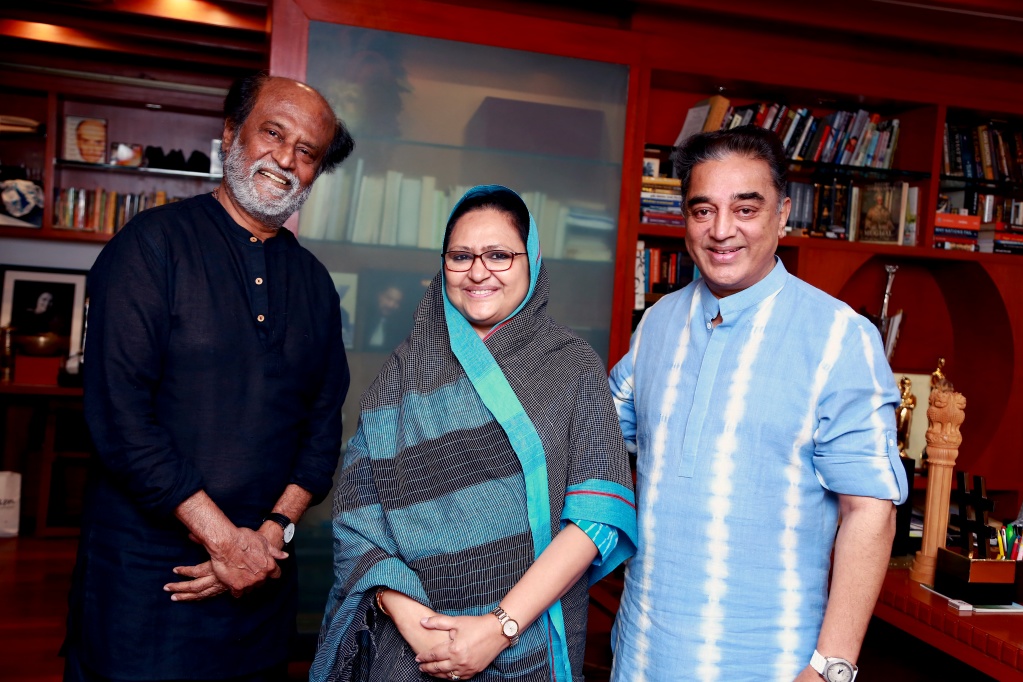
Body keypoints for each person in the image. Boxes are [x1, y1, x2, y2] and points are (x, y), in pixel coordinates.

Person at [65, 73, 356, 681]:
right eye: (272, 134)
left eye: (307, 152)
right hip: (152, 576)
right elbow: (119, 418)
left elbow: (322, 429)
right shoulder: (150, 248)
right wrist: (225, 541)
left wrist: (271, 533)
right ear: (231, 133)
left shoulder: (316, 285)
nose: (286, 159)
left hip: (264, 577)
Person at [608, 126, 907, 682]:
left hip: (774, 664)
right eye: (703, 210)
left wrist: (831, 667)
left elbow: (870, 512)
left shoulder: (840, 337)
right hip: (642, 656)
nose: (722, 230)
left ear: (783, 214)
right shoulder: (658, 322)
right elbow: (593, 433)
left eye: (746, 209)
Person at [311, 185, 637, 682]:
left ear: (532, 262)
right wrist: (421, 631)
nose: (478, 272)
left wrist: (497, 628)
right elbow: (358, 519)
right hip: (412, 647)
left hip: (528, 641)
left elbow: (597, 517)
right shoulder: (402, 372)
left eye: (499, 255)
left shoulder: (572, 366)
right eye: (461, 256)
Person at [359, 283, 406, 350]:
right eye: (388, 298)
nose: (391, 305)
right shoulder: (362, 320)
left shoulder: (400, 330)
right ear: (380, 296)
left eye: (397, 302)